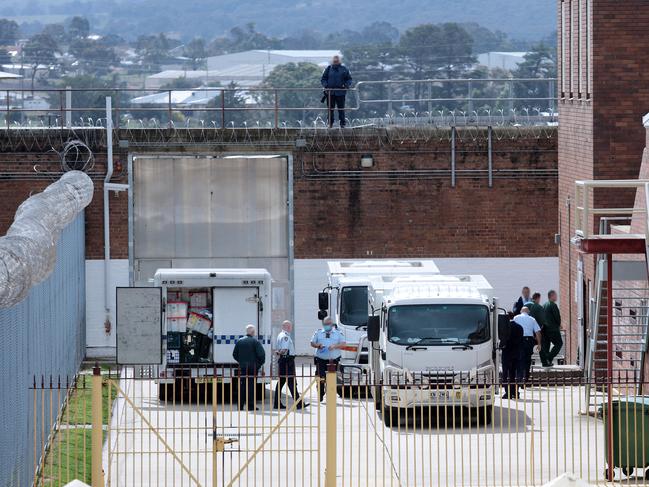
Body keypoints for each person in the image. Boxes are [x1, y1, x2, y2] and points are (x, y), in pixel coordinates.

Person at [273, 320, 308, 410]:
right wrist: (280, 353)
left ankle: (277, 403)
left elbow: (279, 350)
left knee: (281, 383)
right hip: (287, 362)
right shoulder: (285, 337)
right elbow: (284, 349)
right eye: (290, 327)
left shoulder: (280, 335)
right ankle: (299, 404)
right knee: (291, 382)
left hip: (283, 361)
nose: (291, 328)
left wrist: (278, 353)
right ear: (287, 327)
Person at [311, 317, 346, 401]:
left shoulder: (338, 333)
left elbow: (343, 343)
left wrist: (335, 346)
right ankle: (320, 394)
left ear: (332, 324)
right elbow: (312, 342)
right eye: (325, 324)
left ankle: (330, 396)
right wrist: (318, 345)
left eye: (329, 324)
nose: (327, 326)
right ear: (323, 324)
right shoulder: (318, 332)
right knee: (321, 378)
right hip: (321, 359)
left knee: (331, 379)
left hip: (333, 360)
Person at [232, 324, 266, 411]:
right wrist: (258, 364)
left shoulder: (239, 341)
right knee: (251, 387)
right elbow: (262, 355)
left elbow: (234, 354)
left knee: (242, 386)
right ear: (253, 332)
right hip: (253, 368)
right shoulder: (255, 342)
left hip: (243, 367)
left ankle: (240, 406)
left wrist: (241, 361)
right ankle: (251, 406)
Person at [321, 55, 352, 128]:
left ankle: (342, 124)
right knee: (330, 109)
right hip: (330, 93)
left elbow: (349, 79)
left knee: (341, 109)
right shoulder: (328, 69)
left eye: (337, 61)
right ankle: (330, 124)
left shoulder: (344, 69)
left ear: (339, 61)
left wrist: (346, 85)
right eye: (334, 61)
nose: (335, 62)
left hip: (340, 92)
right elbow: (323, 79)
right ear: (332, 61)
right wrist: (326, 85)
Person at [513, 307, 542, 384]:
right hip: (529, 341)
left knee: (519, 359)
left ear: (520, 311)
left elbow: (512, 328)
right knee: (527, 360)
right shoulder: (532, 319)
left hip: (519, 340)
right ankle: (525, 379)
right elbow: (538, 332)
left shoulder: (516, 318)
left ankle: (519, 378)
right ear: (528, 311)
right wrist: (539, 344)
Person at [501, 319, 525, 399]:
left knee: (507, 373)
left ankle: (508, 393)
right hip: (517, 353)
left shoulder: (505, 328)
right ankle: (515, 392)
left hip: (507, 353)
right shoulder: (520, 327)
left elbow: (503, 341)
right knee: (515, 374)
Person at [541, 290, 564, 367]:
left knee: (546, 346)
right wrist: (559, 324)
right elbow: (557, 317)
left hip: (545, 329)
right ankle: (549, 358)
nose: (556, 296)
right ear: (552, 296)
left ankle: (546, 363)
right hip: (553, 329)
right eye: (555, 295)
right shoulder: (553, 305)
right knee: (559, 344)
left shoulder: (544, 305)